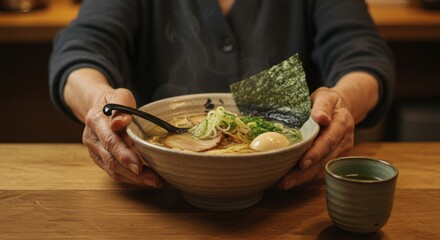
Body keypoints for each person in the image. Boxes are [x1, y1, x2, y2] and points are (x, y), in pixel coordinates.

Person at [49, 0, 395, 190]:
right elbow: (82, 49)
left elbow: (361, 55)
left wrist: (341, 100)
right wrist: (99, 99)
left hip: (290, 194)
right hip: (159, 196)